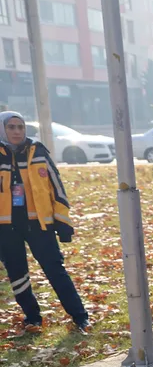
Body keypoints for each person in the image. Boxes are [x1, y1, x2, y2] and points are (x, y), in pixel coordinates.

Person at [0, 112, 88, 333]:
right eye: (11, 127)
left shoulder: (38, 152)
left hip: (39, 225)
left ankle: (80, 316)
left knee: (55, 270)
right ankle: (32, 318)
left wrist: (63, 221)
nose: (17, 131)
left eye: (20, 126)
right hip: (6, 227)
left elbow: (57, 188)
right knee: (17, 274)